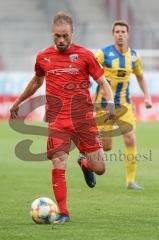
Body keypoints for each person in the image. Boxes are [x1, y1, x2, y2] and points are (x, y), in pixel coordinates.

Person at [10, 12, 115, 223]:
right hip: (57, 119)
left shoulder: (85, 55)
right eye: (57, 36)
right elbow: (36, 82)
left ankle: (85, 162)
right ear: (52, 34)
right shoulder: (43, 57)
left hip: (83, 118)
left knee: (100, 169)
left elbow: (103, 82)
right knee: (58, 162)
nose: (61, 40)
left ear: (72, 33)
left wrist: (110, 104)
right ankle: (63, 213)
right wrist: (18, 101)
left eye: (65, 36)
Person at [94, 20, 152, 190]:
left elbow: (140, 76)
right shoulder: (102, 54)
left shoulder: (134, 56)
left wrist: (147, 97)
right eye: (117, 31)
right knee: (106, 146)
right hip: (103, 105)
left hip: (125, 105)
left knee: (130, 138)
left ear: (128, 34)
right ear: (113, 34)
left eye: (123, 31)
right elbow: (89, 71)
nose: (120, 34)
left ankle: (130, 181)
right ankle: (87, 158)